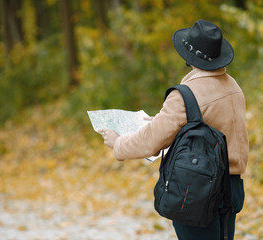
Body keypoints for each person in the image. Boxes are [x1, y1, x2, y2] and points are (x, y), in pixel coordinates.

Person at [102, 19, 249, 240]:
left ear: (188, 57)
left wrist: (118, 143)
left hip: (198, 188)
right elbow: (214, 123)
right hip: (233, 187)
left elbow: (151, 141)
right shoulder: (234, 87)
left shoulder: (186, 94)